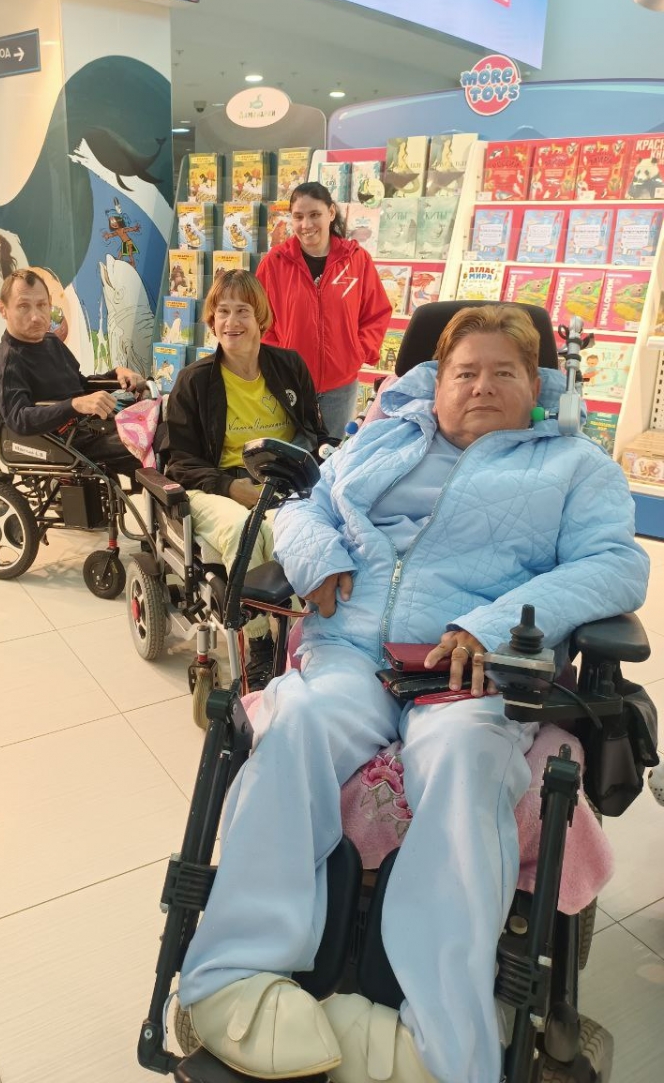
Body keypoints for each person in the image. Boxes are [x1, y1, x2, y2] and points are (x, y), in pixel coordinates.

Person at [177, 304, 649, 1083]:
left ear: (536, 386)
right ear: (436, 382)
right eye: (465, 372)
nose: (481, 386)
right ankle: (232, 978)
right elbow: (306, 506)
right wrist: (318, 556)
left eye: (504, 372)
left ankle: (439, 1038)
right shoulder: (383, 438)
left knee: (466, 766)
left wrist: (492, 627)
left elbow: (615, 565)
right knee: (294, 726)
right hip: (349, 651)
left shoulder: (575, 466)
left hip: (468, 673)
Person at [162, 269, 326, 689]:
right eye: (222, 312)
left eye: (242, 311)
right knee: (244, 530)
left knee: (296, 530)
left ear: (261, 318)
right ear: (211, 320)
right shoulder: (195, 380)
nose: (231, 322)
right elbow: (180, 460)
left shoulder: (289, 366)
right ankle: (259, 642)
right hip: (215, 484)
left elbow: (314, 432)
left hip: (281, 482)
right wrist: (232, 487)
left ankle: (302, 634)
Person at [257, 181, 393, 439]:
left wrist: (356, 352)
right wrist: (279, 360)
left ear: (331, 213)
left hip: (340, 387)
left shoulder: (356, 259)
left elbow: (376, 312)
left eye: (314, 214)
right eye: (298, 216)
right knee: (288, 453)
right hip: (289, 384)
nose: (306, 224)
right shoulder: (274, 263)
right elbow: (259, 319)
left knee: (330, 453)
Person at [0, 268, 144, 478]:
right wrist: (75, 405)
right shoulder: (7, 360)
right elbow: (19, 419)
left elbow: (80, 385)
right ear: (3, 309)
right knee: (151, 441)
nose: (35, 317)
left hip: (88, 428)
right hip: (62, 444)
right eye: (23, 306)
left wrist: (116, 374)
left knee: (162, 421)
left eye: (42, 305)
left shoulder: (51, 342)